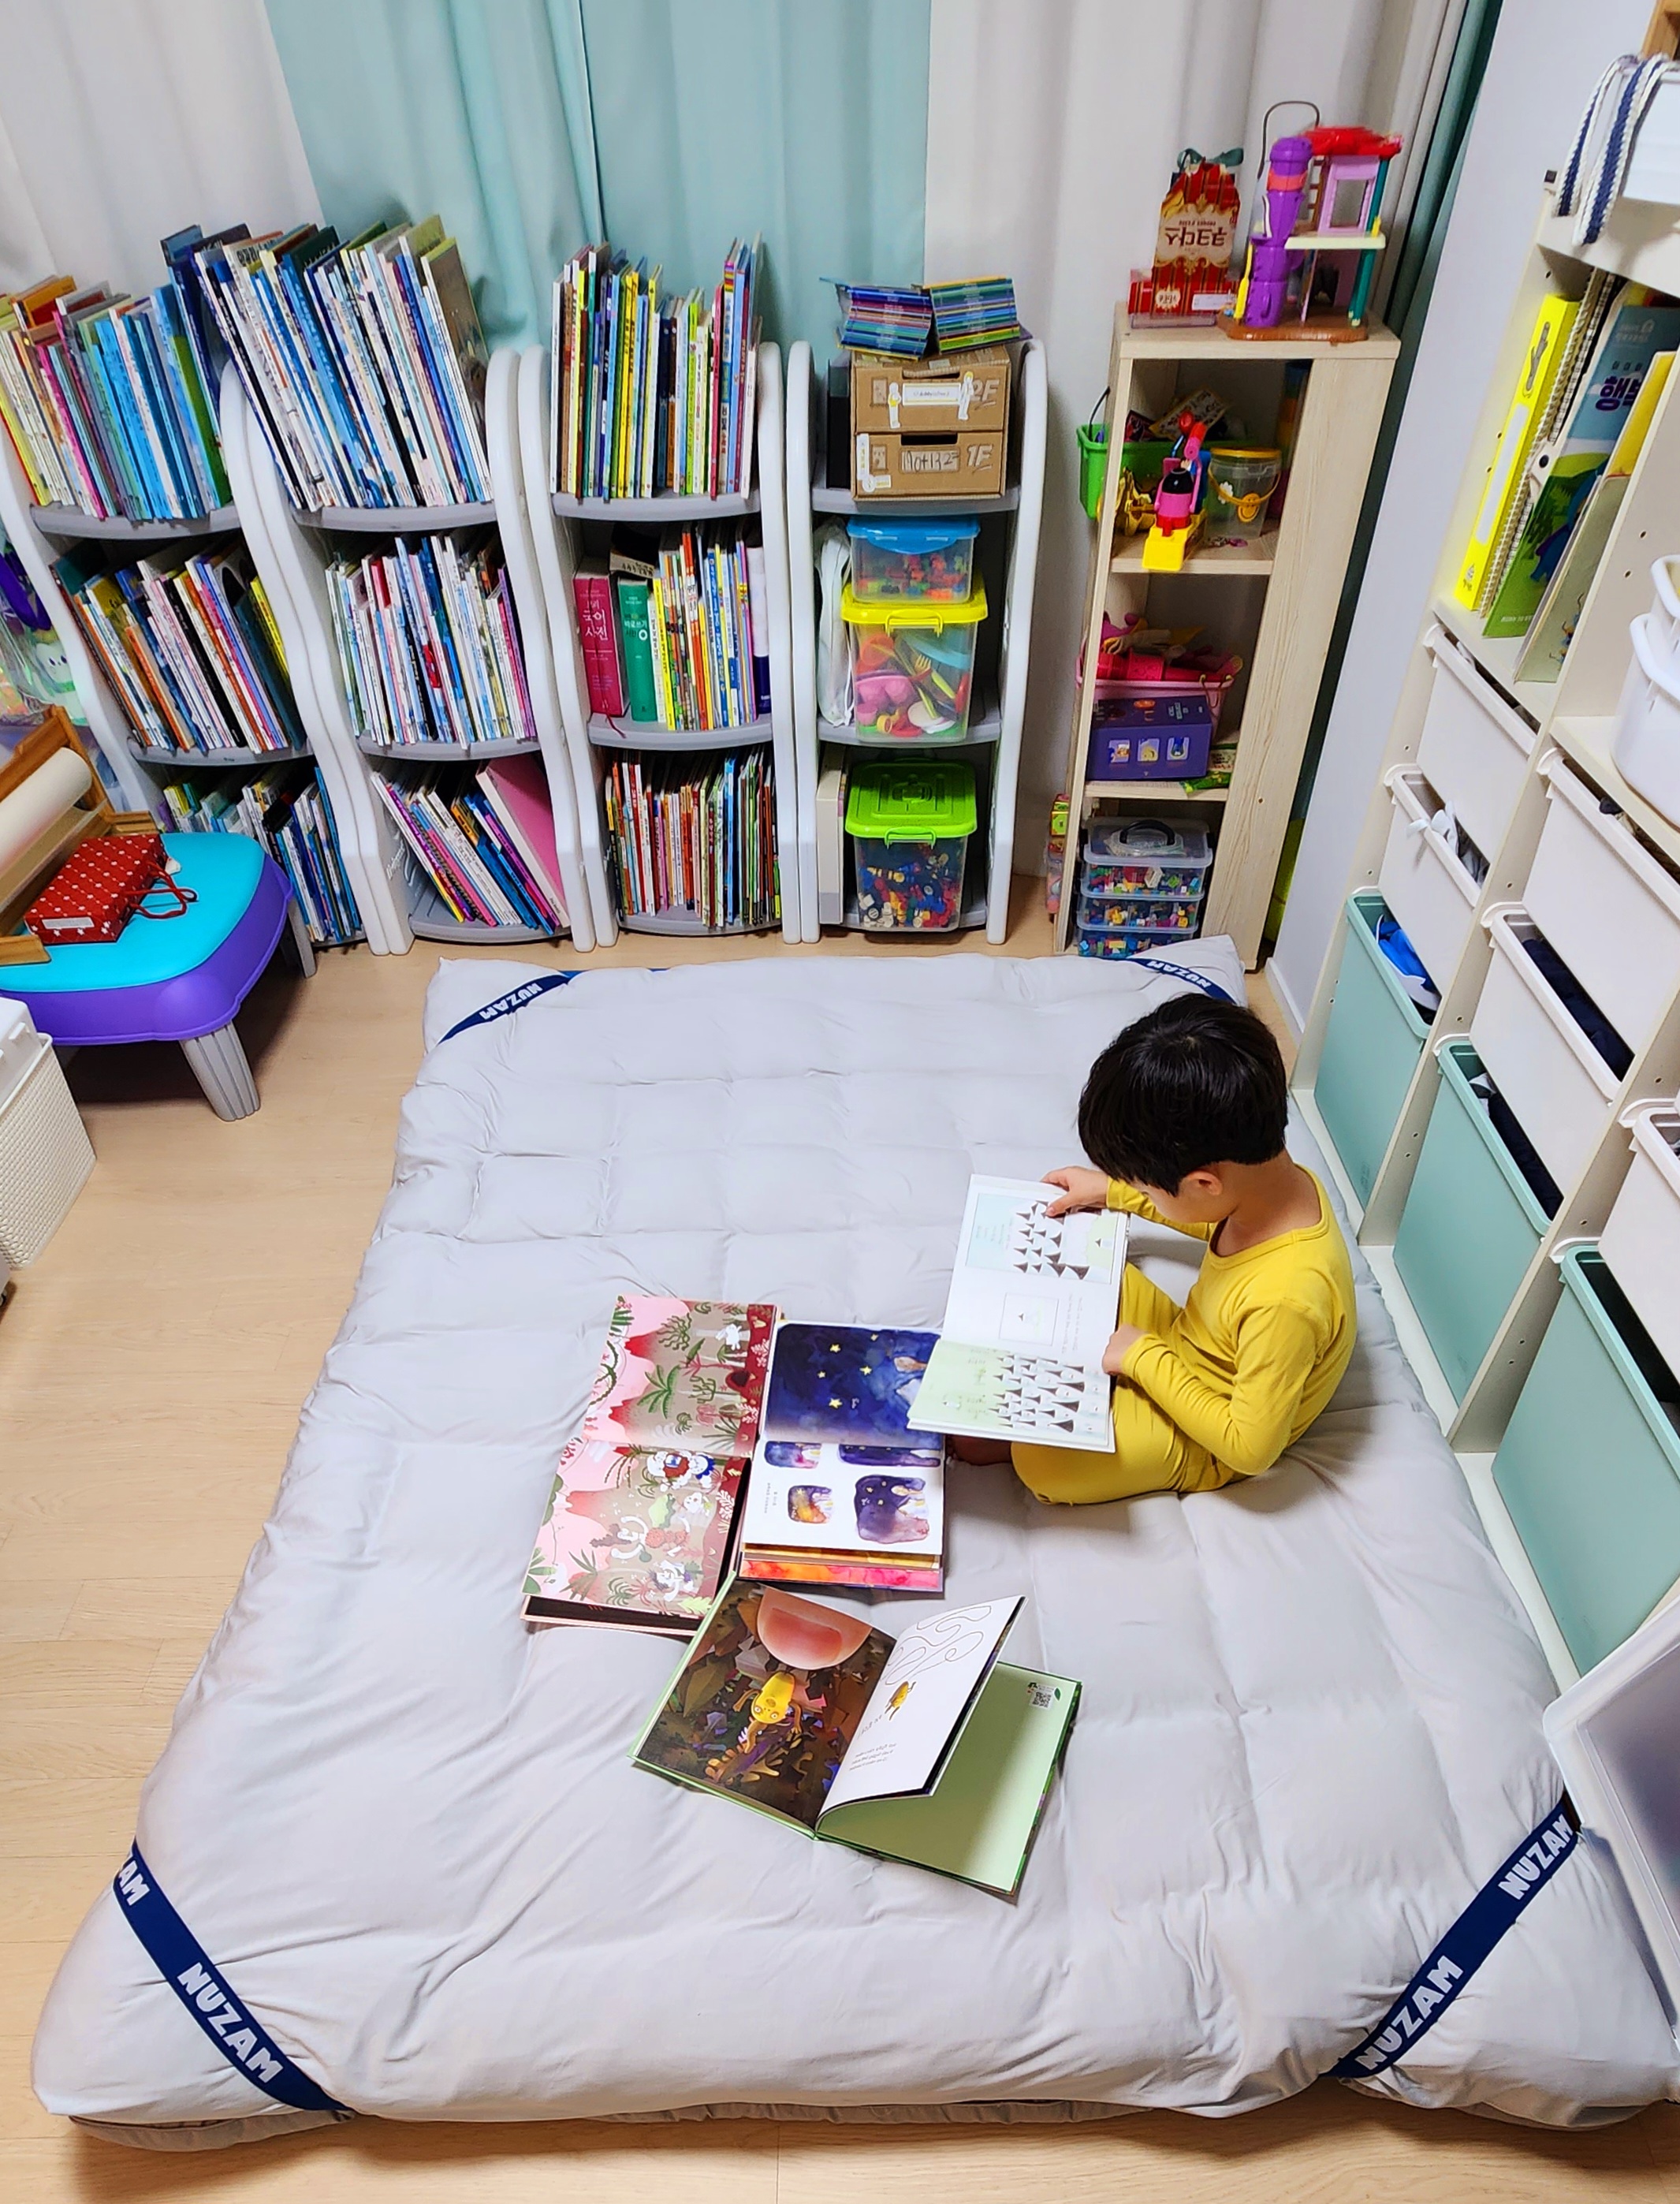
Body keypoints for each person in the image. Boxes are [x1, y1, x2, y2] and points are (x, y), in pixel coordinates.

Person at [958, 994, 1356, 1504]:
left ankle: (1038, 1422)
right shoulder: (1274, 1186)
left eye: (1145, 1186)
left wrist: (1143, 1358)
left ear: (1204, 1182)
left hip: (1208, 1431)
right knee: (1084, 1259)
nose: (1139, 1192)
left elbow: (1249, 1449)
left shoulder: (1286, 1299)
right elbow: (1208, 1218)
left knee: (1044, 1465)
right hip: (1186, 1340)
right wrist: (1111, 1192)